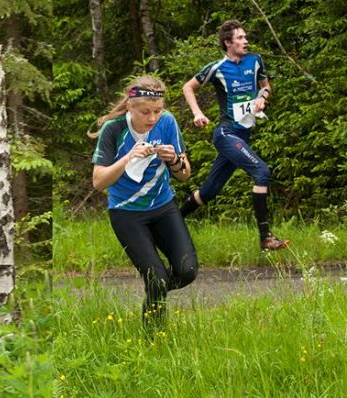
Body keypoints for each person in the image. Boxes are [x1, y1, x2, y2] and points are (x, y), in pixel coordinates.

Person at [90, 75, 198, 326]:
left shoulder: (167, 122)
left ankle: (154, 293)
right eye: (145, 112)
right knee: (157, 278)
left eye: (157, 111)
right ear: (130, 107)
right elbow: (98, 182)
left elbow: (184, 175)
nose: (152, 119)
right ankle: (153, 338)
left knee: (187, 271)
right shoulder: (114, 129)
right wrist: (127, 158)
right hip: (126, 213)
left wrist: (174, 160)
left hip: (163, 206)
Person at [179, 19, 290, 251]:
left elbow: (266, 86)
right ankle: (266, 237)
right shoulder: (217, 68)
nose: (245, 41)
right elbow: (188, 87)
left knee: (208, 192)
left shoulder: (255, 60)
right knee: (262, 171)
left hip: (243, 135)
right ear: (227, 43)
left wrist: (262, 97)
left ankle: (172, 221)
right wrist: (197, 113)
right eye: (240, 38)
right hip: (226, 133)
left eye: (245, 37)